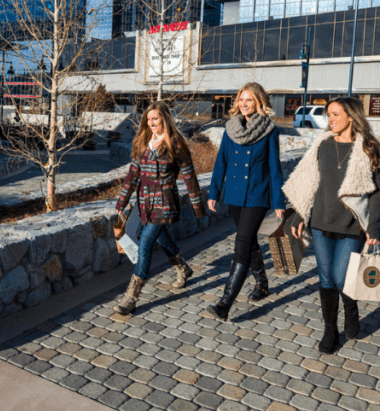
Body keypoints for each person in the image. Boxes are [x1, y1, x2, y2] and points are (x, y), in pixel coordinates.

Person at [281, 97, 380, 354]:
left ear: (351, 117)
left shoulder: (370, 149)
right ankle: (330, 330)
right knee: (326, 278)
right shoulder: (323, 145)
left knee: (342, 278)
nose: (330, 119)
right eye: (329, 114)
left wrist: (372, 227)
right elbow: (309, 183)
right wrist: (298, 215)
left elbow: (377, 193)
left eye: (335, 114)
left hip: (351, 225)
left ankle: (350, 309)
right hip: (320, 222)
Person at [113, 101, 205, 315]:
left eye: (156, 118)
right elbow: (133, 174)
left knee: (145, 243)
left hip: (164, 202)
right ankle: (183, 267)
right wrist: (122, 201)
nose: (152, 122)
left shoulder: (176, 143)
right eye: (149, 119)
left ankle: (131, 297)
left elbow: (190, 177)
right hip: (144, 203)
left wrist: (197, 207)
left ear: (165, 118)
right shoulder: (143, 142)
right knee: (162, 238)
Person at [206, 82, 286, 321]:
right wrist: (213, 192)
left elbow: (275, 169)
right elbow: (221, 163)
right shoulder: (230, 129)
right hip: (234, 195)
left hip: (256, 195)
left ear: (259, 103)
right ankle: (262, 283)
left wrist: (279, 202)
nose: (243, 104)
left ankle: (224, 303)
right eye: (241, 100)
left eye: (249, 100)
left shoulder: (270, 131)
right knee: (248, 241)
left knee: (241, 244)